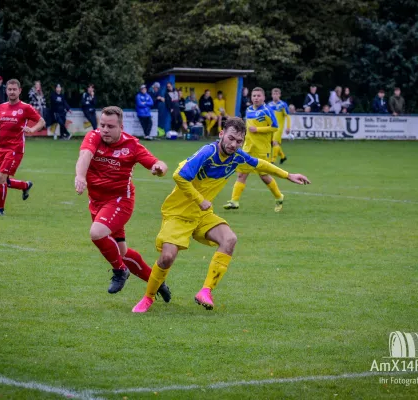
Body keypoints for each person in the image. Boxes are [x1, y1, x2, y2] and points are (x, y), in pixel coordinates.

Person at [131, 117, 311, 313]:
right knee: (167, 257)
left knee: (230, 239)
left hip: (202, 215)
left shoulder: (238, 157)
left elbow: (261, 164)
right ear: (221, 134)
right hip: (178, 213)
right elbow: (179, 176)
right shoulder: (208, 152)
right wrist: (200, 200)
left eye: (239, 141)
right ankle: (148, 298)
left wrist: (288, 175)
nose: (234, 144)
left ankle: (206, 291)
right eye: (231, 138)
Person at [75, 106, 172, 296]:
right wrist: (80, 176)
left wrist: (159, 168)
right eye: (102, 125)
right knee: (122, 252)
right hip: (96, 202)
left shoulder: (132, 145)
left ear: (121, 126)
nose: (105, 130)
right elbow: (84, 155)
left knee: (97, 232)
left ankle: (120, 271)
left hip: (120, 201)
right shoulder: (93, 137)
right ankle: (157, 282)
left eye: (110, 126)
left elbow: (158, 163)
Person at [0, 79, 45, 216]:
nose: (12, 92)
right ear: (6, 91)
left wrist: (32, 130)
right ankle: (25, 185)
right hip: (1, 148)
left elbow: (41, 121)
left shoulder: (25, 108)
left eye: (15, 89)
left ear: (20, 91)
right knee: (0, 180)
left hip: (15, 149)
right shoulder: (2, 107)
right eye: (9, 89)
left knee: (1, 178)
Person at [223, 87, 284, 212]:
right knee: (241, 174)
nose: (256, 98)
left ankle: (279, 196)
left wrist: (258, 130)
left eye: (258, 96)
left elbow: (275, 127)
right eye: (254, 96)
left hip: (262, 149)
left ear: (263, 97)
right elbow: (248, 127)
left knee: (264, 176)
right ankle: (234, 201)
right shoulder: (249, 109)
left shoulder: (267, 110)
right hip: (248, 148)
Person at [267, 88, 291, 164]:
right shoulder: (269, 105)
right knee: (273, 143)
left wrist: (288, 127)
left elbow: (287, 116)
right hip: (271, 127)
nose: (275, 96)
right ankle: (283, 157)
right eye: (274, 94)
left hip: (279, 127)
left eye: (277, 94)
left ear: (279, 95)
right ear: (271, 95)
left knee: (274, 142)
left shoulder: (283, 105)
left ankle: (272, 160)